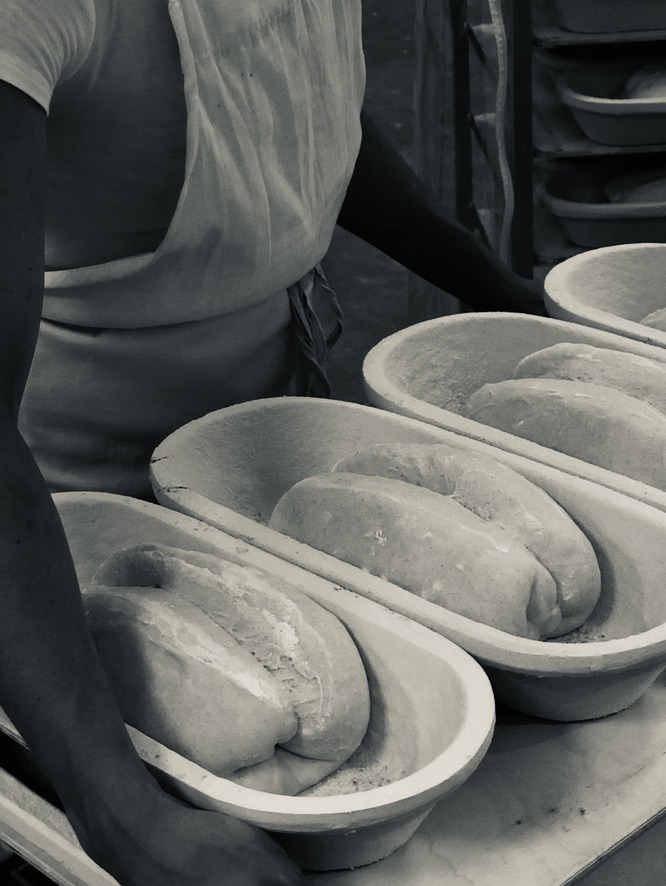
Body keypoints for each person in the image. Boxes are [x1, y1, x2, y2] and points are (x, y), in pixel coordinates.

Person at [0, 1, 543, 883]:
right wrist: (118, 812)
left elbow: (292, 105)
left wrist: (493, 285)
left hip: (254, 445)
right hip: (50, 514)